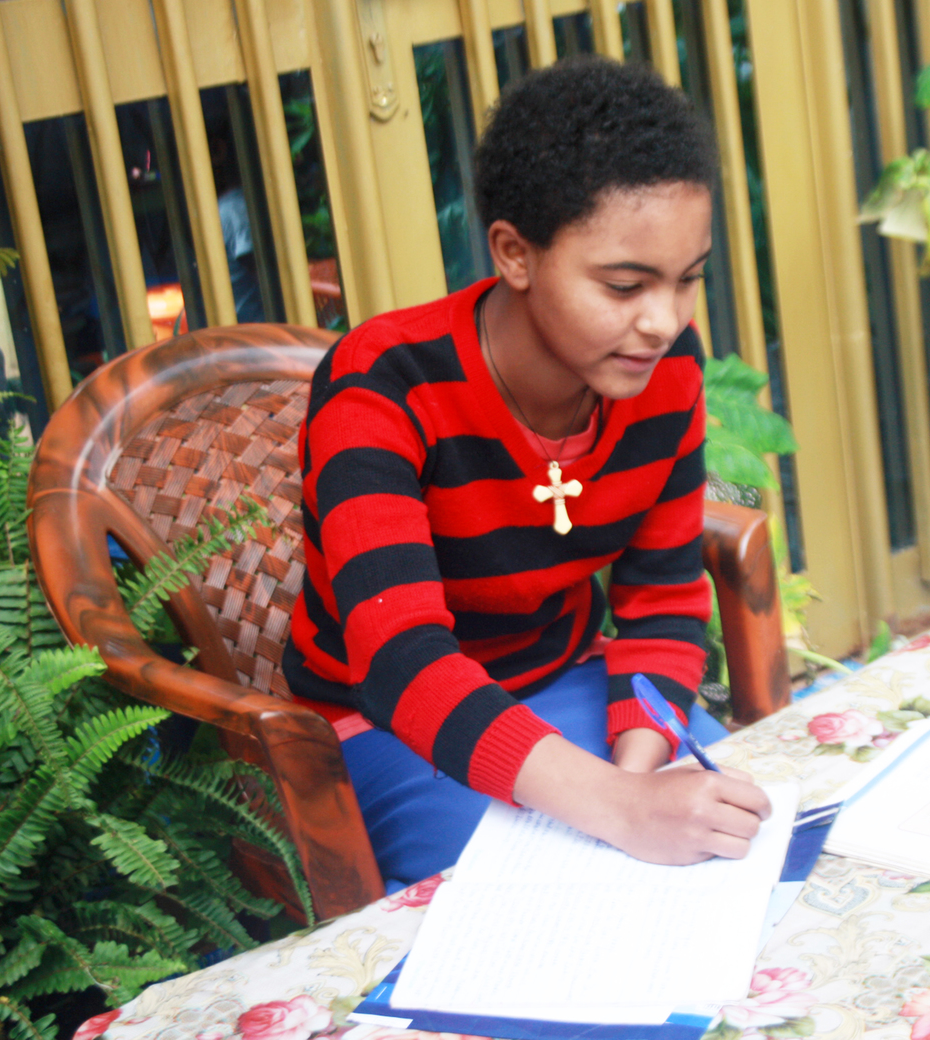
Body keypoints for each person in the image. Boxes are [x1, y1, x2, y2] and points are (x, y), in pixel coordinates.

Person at [285, 56, 772, 890]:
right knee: (538, 897)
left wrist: (641, 772)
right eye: (625, 285)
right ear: (514, 253)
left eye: (687, 280)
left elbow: (660, 600)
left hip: (570, 682)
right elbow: (402, 661)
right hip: (383, 724)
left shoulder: (666, 374)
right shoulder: (383, 387)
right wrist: (618, 811)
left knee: (741, 850)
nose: (664, 322)